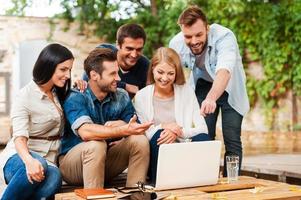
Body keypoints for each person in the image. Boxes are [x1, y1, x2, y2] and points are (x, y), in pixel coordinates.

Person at [169, 5, 250, 176]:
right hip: (203, 85)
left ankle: (231, 183)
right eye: (188, 36)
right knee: (204, 134)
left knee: (232, 137)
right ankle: (206, 178)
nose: (194, 41)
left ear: (207, 28)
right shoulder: (176, 44)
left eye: (199, 34)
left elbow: (224, 71)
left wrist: (212, 98)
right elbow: (172, 74)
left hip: (230, 86)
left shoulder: (225, 36)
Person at [59, 48, 152, 188]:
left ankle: (137, 195)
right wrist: (122, 130)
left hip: (105, 161)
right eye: (113, 74)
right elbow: (86, 132)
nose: (119, 79)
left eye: (118, 72)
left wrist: (122, 126)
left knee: (140, 140)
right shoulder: (76, 96)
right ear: (94, 75)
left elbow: (135, 128)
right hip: (73, 167)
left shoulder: (121, 96)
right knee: (96, 144)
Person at [0, 43, 74, 199]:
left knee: (54, 176)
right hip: (19, 157)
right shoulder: (25, 96)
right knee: (40, 164)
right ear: (49, 66)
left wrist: (82, 85)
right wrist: (29, 161)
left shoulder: (59, 92)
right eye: (63, 69)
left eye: (69, 70)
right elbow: (19, 137)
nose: (67, 75)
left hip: (50, 162)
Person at [134, 47, 209, 184]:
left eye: (170, 73)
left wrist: (178, 132)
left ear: (176, 73)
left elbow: (203, 128)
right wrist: (164, 127)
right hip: (157, 152)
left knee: (203, 138)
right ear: (152, 70)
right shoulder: (141, 96)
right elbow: (145, 134)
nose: (164, 78)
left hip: (183, 149)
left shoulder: (186, 91)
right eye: (160, 72)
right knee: (159, 134)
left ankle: (200, 185)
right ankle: (159, 186)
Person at [82, 23, 149, 98]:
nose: (134, 54)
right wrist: (125, 86)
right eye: (129, 49)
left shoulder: (145, 65)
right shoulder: (103, 54)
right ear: (118, 44)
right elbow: (87, 84)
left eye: (139, 49)